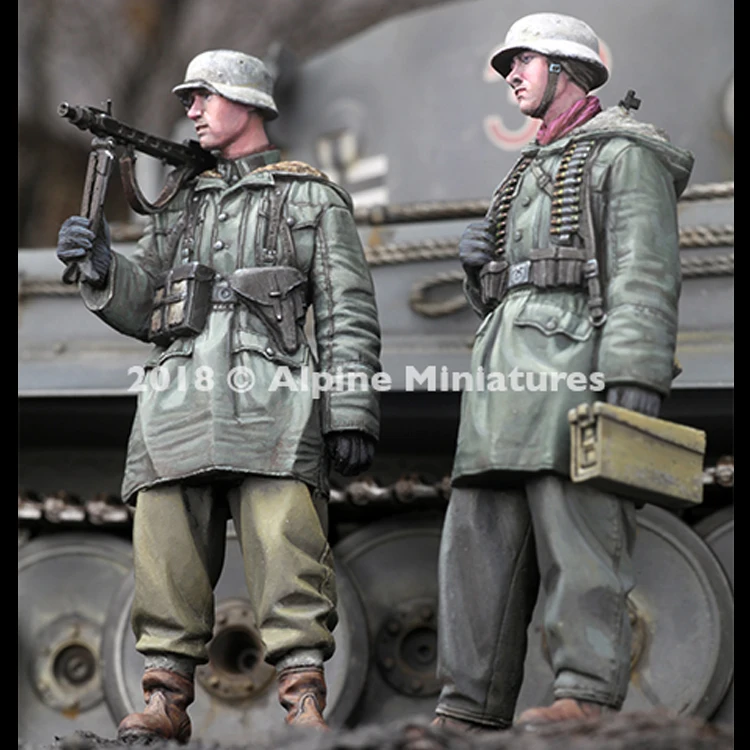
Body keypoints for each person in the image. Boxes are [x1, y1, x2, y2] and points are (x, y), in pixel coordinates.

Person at [56, 49, 382, 743]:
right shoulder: (181, 201)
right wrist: (103, 266)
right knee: (165, 550)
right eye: (189, 99)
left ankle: (302, 700)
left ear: (248, 103)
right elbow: (148, 307)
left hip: (273, 402)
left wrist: (350, 407)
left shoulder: (310, 197)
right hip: (179, 396)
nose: (193, 110)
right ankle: (165, 696)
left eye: (204, 96)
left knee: (287, 547)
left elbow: (347, 310)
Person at [431, 13, 694, 730]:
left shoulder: (622, 154)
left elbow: (644, 268)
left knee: (579, 535)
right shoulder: (531, 166)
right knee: (478, 543)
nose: (511, 75)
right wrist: (481, 272)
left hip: (575, 369)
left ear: (565, 69)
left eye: (524, 61)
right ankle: (466, 706)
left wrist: (635, 373)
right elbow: (518, 286)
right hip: (504, 378)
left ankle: (585, 691)